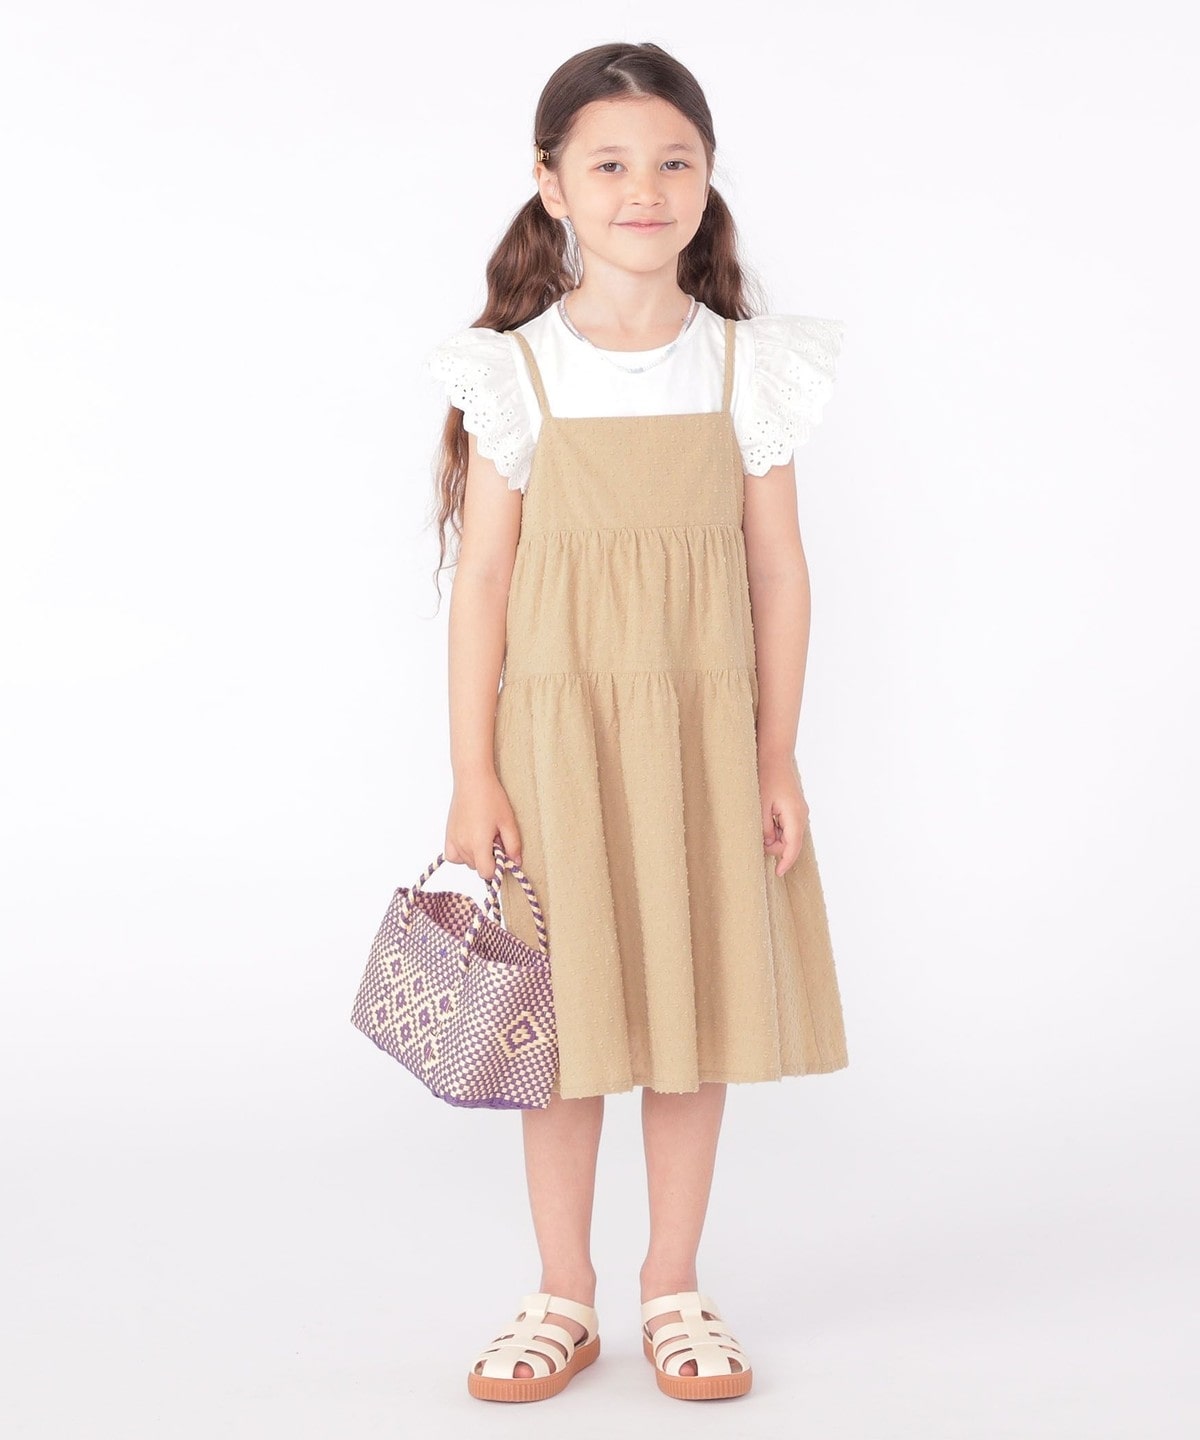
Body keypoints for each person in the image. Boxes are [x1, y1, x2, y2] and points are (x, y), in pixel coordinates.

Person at [422, 40, 850, 1404]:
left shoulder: (745, 370)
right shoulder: (516, 372)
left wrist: (776, 754)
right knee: (561, 1031)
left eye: (673, 161)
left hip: (701, 741)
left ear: (708, 178)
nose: (644, 189)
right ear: (551, 184)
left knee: (688, 1007)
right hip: (557, 748)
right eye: (608, 164)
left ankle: (674, 1283)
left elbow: (778, 570)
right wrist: (473, 773)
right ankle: (566, 1292)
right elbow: (485, 579)